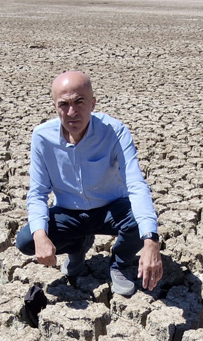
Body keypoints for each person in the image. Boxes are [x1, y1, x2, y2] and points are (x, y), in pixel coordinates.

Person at [15, 71, 163, 297]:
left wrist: (151, 240)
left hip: (111, 210)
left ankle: (119, 264)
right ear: (55, 106)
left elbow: (135, 183)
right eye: (64, 104)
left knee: (139, 221)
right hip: (69, 212)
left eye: (79, 102)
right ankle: (77, 248)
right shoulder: (42, 137)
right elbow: (37, 193)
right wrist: (40, 236)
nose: (72, 112)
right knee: (27, 240)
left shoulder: (114, 131)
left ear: (93, 104)